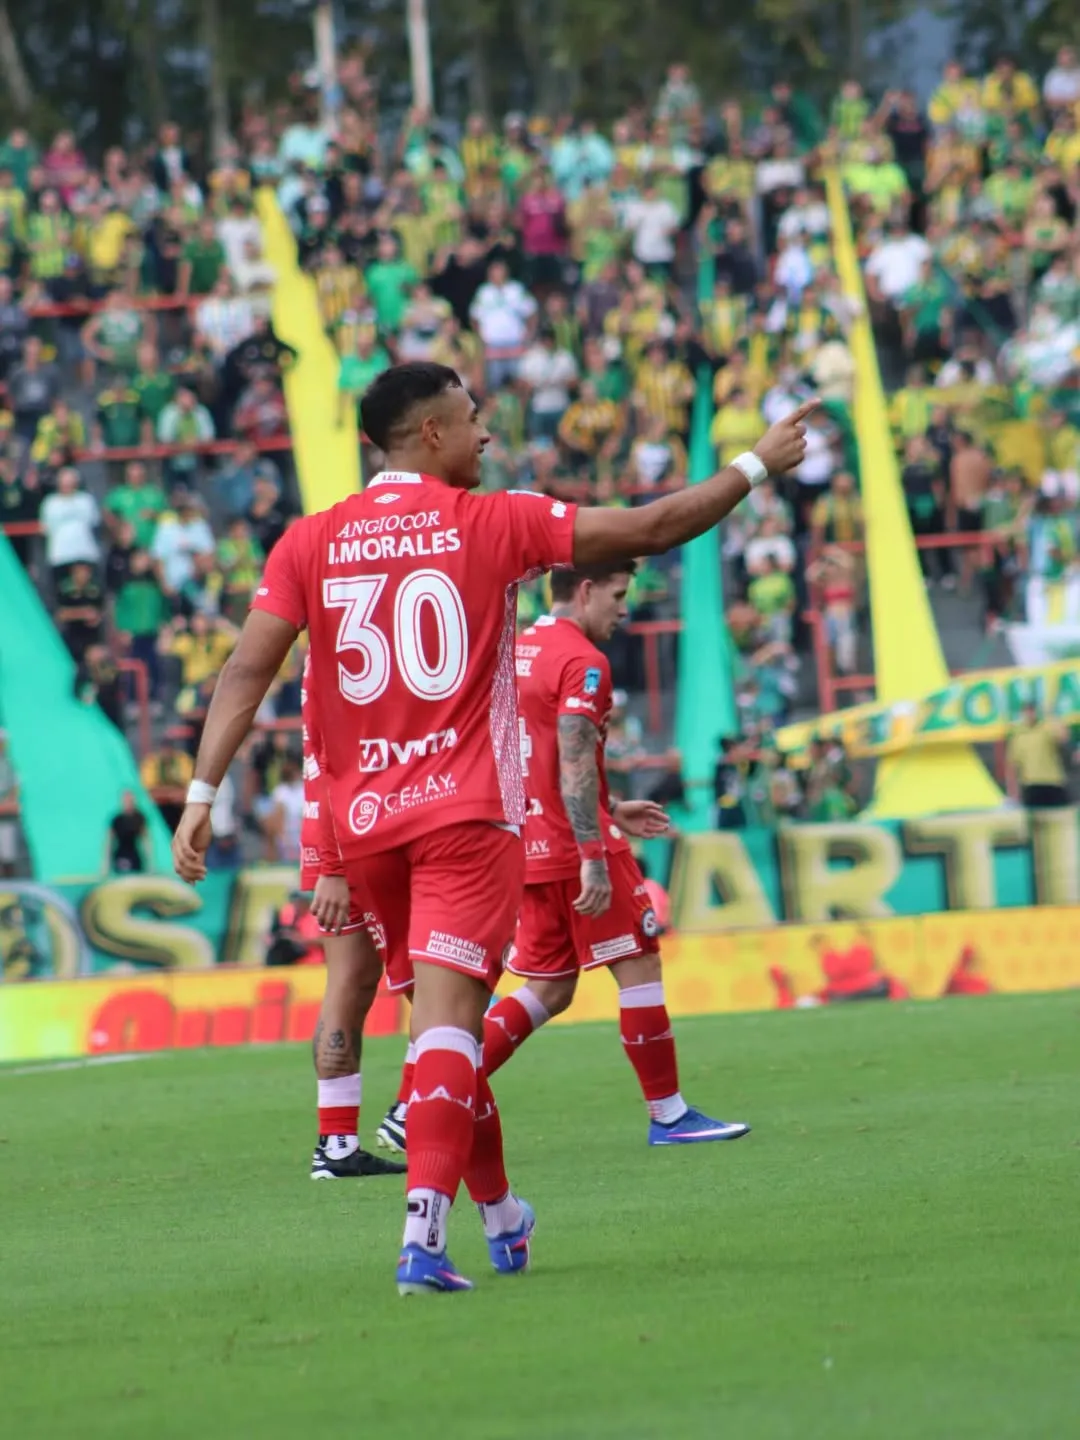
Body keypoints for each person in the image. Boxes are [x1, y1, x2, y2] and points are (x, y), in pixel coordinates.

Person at [170, 362, 813, 1294]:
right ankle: (422, 1239)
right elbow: (652, 526)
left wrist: (201, 792)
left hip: (366, 830)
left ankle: (503, 1213)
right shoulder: (493, 519)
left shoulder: (306, 542)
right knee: (450, 1034)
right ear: (430, 433)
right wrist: (758, 465)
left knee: (445, 1030)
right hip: (465, 819)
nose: (487, 435)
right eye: (473, 419)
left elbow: (243, 672)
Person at [481, 563, 750, 1144]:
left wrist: (610, 806)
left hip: (526, 844)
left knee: (549, 988)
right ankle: (670, 1114)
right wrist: (594, 849)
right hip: (575, 847)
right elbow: (573, 756)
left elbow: (535, 753)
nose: (625, 608)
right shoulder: (583, 661)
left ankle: (429, 1095)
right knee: (640, 965)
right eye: (618, 595)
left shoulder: (516, 650)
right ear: (584, 591)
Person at [298, 655, 405, 1181]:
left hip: (345, 831)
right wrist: (334, 865)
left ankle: (339, 1142)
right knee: (431, 968)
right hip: (361, 831)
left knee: (355, 979)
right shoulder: (342, 653)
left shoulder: (327, 649)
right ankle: (409, 1107)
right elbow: (335, 756)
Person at [105, 791, 148, 873]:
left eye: (130, 799)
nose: (128, 802)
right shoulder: (116, 820)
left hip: (135, 856)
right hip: (120, 856)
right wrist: (106, 865)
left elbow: (146, 840)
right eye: (126, 800)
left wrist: (149, 863)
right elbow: (109, 843)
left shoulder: (139, 818)